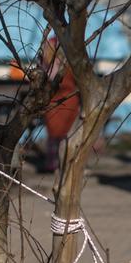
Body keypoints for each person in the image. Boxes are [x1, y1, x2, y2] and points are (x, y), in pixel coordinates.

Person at [39, 36, 80, 173]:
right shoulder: (64, 63)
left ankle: (57, 163)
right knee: (64, 136)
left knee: (58, 136)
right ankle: (61, 163)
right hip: (62, 101)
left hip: (62, 102)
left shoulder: (48, 65)